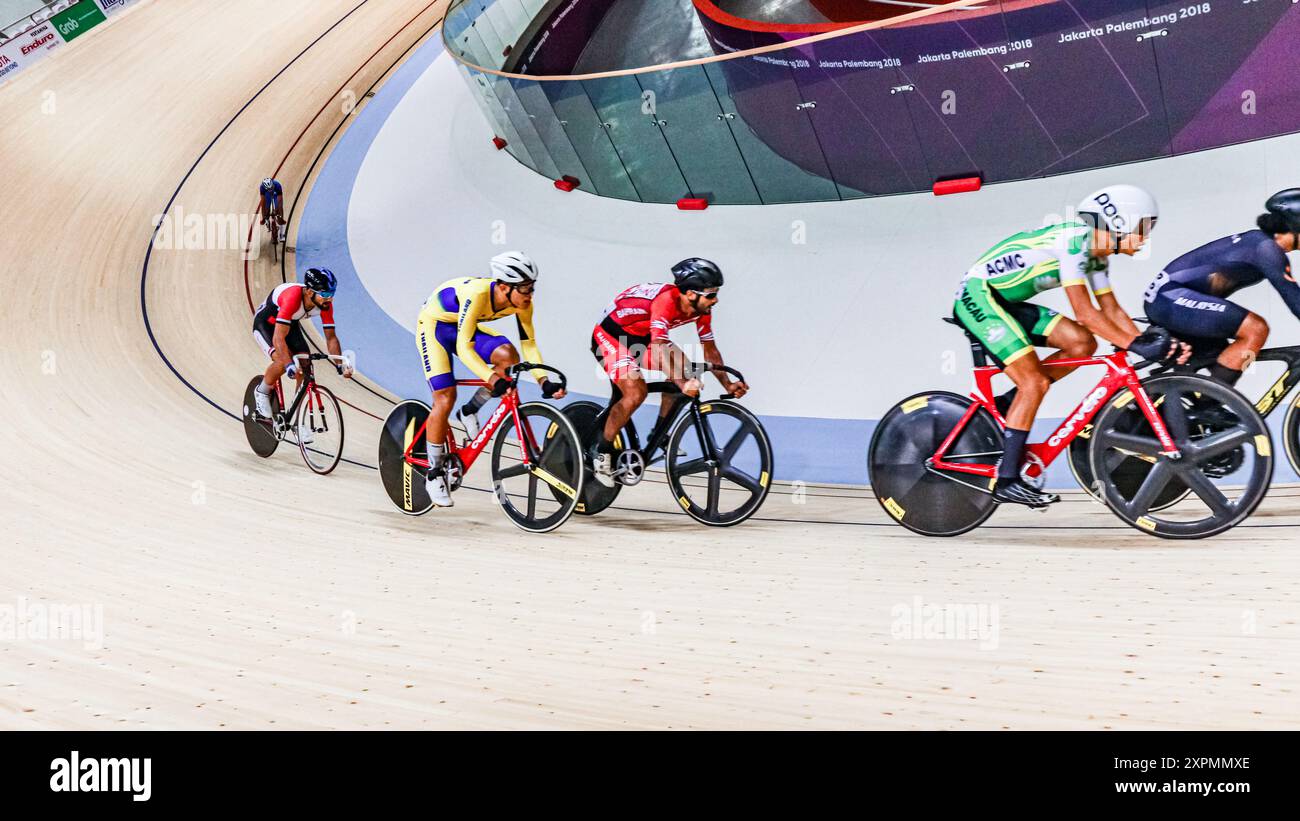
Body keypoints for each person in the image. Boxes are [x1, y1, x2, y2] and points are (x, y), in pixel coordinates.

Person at [952, 184, 1189, 508]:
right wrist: (1135, 343)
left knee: (1081, 343)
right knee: (1033, 383)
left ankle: (1009, 403)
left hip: (1006, 303)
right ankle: (1006, 480)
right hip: (979, 296)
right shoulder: (1074, 245)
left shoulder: (1096, 257)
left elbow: (1112, 312)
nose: (1145, 238)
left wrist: (1143, 343)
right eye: (1142, 228)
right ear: (1118, 224)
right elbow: (1085, 313)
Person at [416, 251, 565, 508]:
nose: (529, 295)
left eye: (532, 288)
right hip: (434, 327)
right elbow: (464, 349)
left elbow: (528, 344)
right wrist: (491, 378)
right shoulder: (478, 295)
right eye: (525, 289)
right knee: (444, 397)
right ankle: (434, 472)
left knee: (508, 357)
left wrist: (544, 381)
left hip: (464, 326)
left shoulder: (522, 303)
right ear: (505, 287)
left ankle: (470, 411)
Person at [589, 258, 748, 487]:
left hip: (640, 335)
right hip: (611, 334)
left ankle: (660, 435)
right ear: (691, 294)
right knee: (635, 392)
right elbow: (660, 348)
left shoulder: (701, 309)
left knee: (686, 370)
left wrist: (727, 384)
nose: (716, 300)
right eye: (711, 294)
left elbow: (709, 349)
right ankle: (602, 452)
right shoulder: (665, 302)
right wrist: (683, 383)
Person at [1142, 188, 1300, 385]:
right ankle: (1209, 406)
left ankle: (1196, 405)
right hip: (1169, 298)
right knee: (1255, 329)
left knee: (1227, 362)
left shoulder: (1261, 242)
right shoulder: (1266, 249)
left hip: (1169, 299)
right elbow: (1295, 301)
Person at [251, 268, 354, 438]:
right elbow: (278, 339)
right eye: (325, 293)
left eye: (332, 293)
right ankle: (262, 391)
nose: (330, 298)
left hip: (289, 325)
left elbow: (331, 338)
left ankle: (297, 420)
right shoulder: (292, 298)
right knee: (283, 362)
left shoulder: (325, 304)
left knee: (305, 368)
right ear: (308, 291)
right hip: (266, 325)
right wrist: (289, 364)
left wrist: (340, 364)